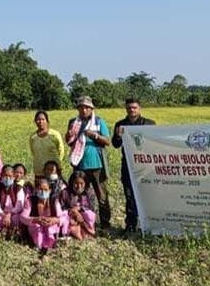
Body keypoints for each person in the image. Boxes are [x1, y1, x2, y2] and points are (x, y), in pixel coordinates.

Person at [65, 96, 112, 229]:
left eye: (86, 107)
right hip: (80, 165)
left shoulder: (98, 122)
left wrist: (94, 135)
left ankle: (105, 224)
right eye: (81, 107)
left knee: (101, 196)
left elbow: (107, 141)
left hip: (97, 165)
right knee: (78, 195)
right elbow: (69, 141)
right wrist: (68, 135)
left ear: (92, 109)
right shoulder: (73, 122)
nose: (84, 110)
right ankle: (80, 222)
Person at [111, 98, 155, 233]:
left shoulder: (149, 124)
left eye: (134, 107)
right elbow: (115, 145)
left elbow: (154, 143)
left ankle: (148, 224)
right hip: (128, 165)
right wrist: (118, 136)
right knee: (129, 195)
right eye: (129, 107)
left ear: (139, 108)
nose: (132, 110)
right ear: (126, 109)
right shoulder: (120, 125)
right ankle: (131, 224)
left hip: (145, 166)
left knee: (147, 195)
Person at [20, 178, 65, 257]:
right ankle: (39, 245)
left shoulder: (54, 201)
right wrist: (35, 219)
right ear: (36, 189)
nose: (43, 192)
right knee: (37, 229)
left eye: (45, 190)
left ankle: (51, 244)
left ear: (50, 190)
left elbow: (63, 217)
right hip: (36, 226)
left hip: (50, 226)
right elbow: (23, 217)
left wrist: (54, 220)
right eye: (40, 189)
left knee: (50, 228)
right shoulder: (30, 201)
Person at [0, 165, 25, 238]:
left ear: (13, 177)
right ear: (1, 176)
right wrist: (4, 215)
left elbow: (19, 206)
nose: (8, 178)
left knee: (16, 218)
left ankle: (14, 235)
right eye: (5, 175)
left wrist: (9, 214)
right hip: (1, 213)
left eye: (10, 176)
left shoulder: (18, 188)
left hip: (13, 213)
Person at [29, 110, 65, 180]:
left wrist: (57, 165)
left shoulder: (55, 134)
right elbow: (33, 151)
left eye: (43, 119)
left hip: (53, 170)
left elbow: (61, 151)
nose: (41, 122)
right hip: (39, 170)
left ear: (47, 121)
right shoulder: (33, 137)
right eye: (38, 120)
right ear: (35, 121)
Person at [65, 171, 96, 240]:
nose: (79, 186)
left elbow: (92, 208)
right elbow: (62, 207)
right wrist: (74, 212)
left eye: (81, 183)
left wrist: (80, 208)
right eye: (76, 183)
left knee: (90, 215)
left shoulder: (89, 192)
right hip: (70, 216)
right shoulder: (65, 192)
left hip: (84, 218)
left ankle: (87, 231)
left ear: (85, 183)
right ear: (72, 182)